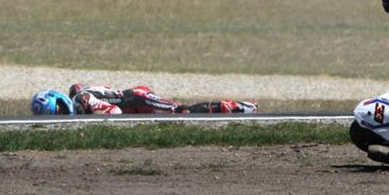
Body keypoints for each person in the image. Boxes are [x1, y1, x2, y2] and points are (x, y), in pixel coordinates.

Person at [67, 83, 258, 115]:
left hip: (138, 100)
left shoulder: (81, 97)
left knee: (182, 112)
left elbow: (113, 111)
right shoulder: (82, 92)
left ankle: (240, 108)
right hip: (135, 101)